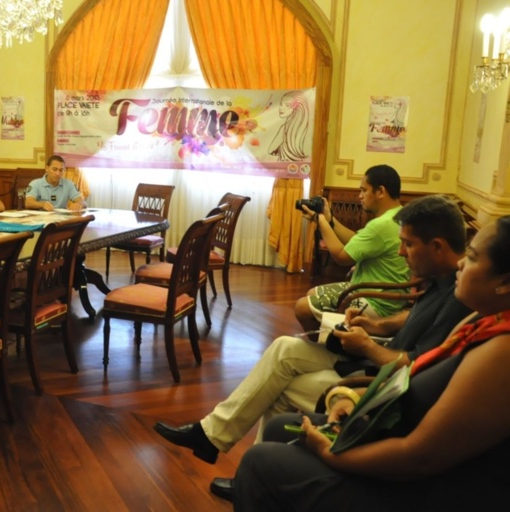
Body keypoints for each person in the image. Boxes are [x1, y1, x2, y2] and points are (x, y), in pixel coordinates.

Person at [153, 195, 471, 501]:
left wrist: (368, 347)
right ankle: (219, 442)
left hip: (377, 385)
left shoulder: (460, 297)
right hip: (376, 359)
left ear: (438, 247)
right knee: (283, 348)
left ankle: (246, 468)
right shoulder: (443, 278)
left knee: (278, 386)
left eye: (408, 244)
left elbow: (418, 366)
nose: (401, 252)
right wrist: (376, 326)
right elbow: (413, 316)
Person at [234, 216, 510, 511]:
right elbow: (418, 371)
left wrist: (330, 454)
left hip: (421, 490)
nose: (460, 264)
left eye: (472, 256)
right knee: (280, 425)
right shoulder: (481, 320)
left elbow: (419, 458)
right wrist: (357, 401)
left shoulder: (501, 353)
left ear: (505, 282)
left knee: (258, 463)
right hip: (393, 432)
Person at [295, 164, 409, 331]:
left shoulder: (381, 224)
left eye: (364, 190)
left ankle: (337, 345)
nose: (360, 196)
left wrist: (320, 221)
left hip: (375, 299)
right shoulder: (399, 215)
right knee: (312, 293)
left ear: (380, 192)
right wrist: (330, 219)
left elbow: (341, 257)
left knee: (302, 307)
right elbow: (357, 241)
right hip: (388, 295)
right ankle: (334, 338)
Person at [268, 90, 310, 162]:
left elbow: (270, 150)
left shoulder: (285, 128)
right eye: (281, 104)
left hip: (284, 166)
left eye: (287, 105)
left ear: (297, 108)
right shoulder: (303, 128)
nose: (281, 108)